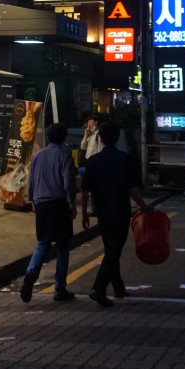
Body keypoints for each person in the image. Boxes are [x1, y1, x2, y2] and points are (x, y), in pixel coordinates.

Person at [80, 121, 155, 307]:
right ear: (117, 138)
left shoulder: (93, 161)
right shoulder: (125, 159)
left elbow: (85, 190)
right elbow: (131, 188)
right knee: (114, 251)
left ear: (99, 138)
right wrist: (144, 207)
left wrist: (84, 214)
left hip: (102, 212)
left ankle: (118, 287)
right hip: (120, 211)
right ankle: (98, 288)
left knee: (110, 250)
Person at [20, 122, 77, 303]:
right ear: (63, 138)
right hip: (59, 204)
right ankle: (60, 288)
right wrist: (72, 204)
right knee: (62, 247)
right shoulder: (65, 156)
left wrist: (32, 199)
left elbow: (31, 179)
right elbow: (68, 183)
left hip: (42, 204)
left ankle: (30, 273)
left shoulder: (37, 156)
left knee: (42, 244)